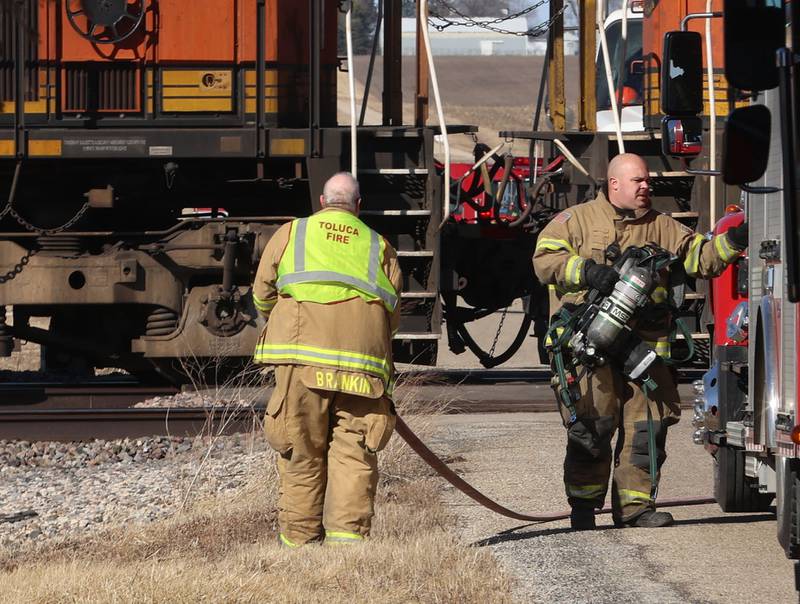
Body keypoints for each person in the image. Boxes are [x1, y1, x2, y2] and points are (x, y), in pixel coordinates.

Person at [533, 153, 748, 530]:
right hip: (590, 348)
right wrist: (586, 271)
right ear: (613, 184)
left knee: (648, 427)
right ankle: (583, 510)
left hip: (645, 353)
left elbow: (702, 259)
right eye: (637, 181)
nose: (646, 187)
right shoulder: (577, 220)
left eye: (648, 181)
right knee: (592, 426)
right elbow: (544, 260)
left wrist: (735, 239)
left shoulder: (663, 226)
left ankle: (635, 509)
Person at [252, 172, 402, 547]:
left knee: (300, 449)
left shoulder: (292, 233)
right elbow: (393, 313)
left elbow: (261, 295)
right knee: (355, 454)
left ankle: (300, 544)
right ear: (358, 207)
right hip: (363, 368)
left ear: (321, 203)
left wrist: (287, 319)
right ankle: (347, 547)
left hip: (300, 362)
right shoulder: (379, 245)